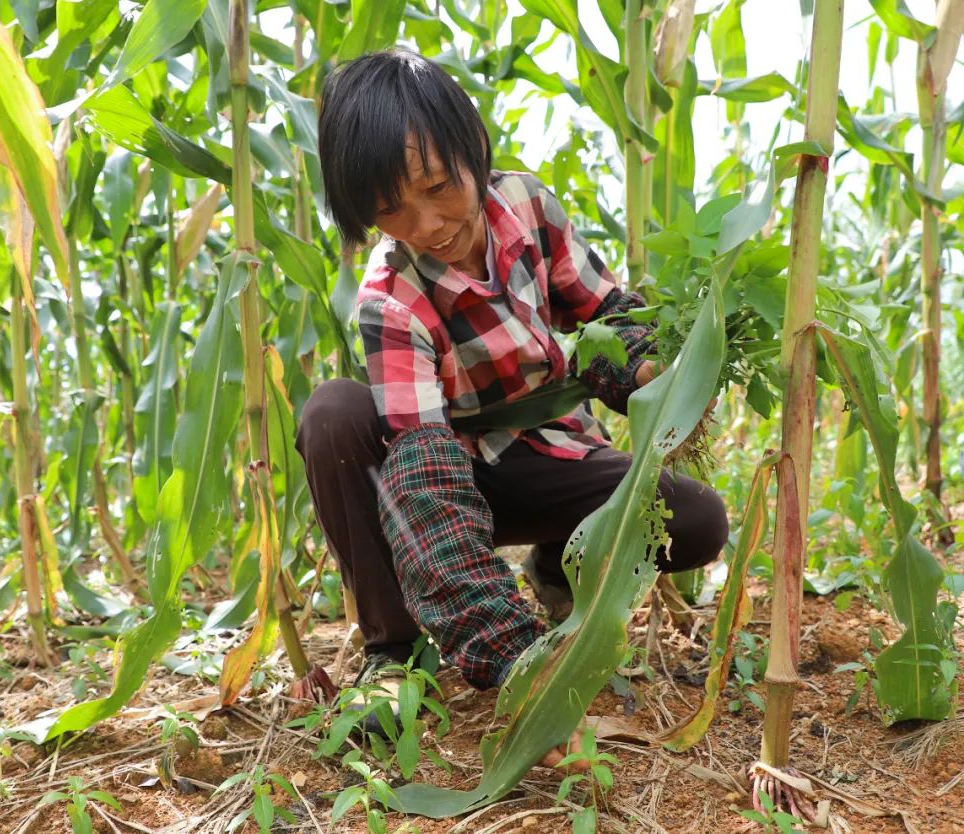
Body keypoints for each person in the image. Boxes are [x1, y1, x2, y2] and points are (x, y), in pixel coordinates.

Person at [295, 49, 728, 762]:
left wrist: (651, 368)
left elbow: (604, 320)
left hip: (544, 453)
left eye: (439, 188)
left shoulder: (526, 205)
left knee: (697, 521)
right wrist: (515, 660)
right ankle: (394, 652)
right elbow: (426, 486)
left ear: (472, 149)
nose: (429, 223)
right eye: (392, 211)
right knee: (334, 415)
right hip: (443, 475)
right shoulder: (389, 297)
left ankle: (560, 569)